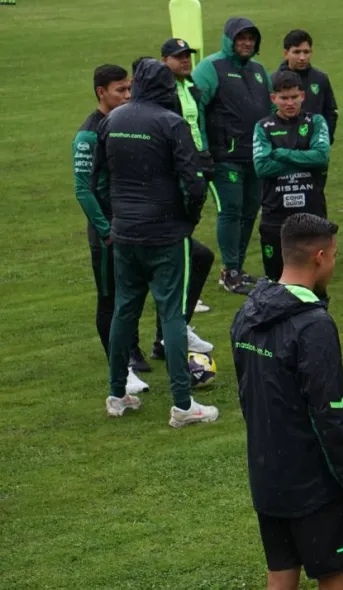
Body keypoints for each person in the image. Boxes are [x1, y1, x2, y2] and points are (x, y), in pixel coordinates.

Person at [231, 213, 343, 590]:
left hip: (266, 475)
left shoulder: (246, 315)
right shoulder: (314, 326)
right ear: (320, 257)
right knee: (339, 577)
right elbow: (329, 416)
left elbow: (247, 396)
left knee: (281, 576)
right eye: (334, 257)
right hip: (313, 484)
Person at [92, 58, 218, 427]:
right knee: (172, 316)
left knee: (124, 311)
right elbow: (194, 182)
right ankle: (182, 404)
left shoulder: (112, 121)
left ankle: (117, 395)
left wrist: (113, 220)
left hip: (125, 233)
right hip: (164, 234)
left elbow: (99, 180)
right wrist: (188, 219)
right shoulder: (170, 122)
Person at [72, 64, 149, 394]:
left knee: (133, 293)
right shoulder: (89, 134)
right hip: (108, 233)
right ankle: (121, 368)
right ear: (101, 92)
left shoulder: (124, 123)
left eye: (130, 89)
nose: (128, 95)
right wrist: (106, 231)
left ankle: (133, 352)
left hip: (131, 225)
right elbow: (82, 189)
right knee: (110, 300)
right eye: (121, 90)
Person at [137, 43, 216, 359]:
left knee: (192, 260)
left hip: (192, 169)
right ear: (162, 62)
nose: (185, 61)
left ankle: (169, 334)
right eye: (178, 56)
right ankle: (165, 340)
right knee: (180, 265)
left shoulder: (189, 88)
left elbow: (196, 127)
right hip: (167, 197)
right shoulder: (158, 106)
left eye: (188, 56)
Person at [192, 16, 273, 295]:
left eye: (251, 38)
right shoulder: (210, 68)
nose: (247, 43)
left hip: (256, 157)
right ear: (230, 39)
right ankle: (229, 271)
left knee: (250, 210)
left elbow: (270, 113)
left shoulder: (260, 71)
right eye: (241, 38)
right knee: (231, 210)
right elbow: (195, 109)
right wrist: (201, 149)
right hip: (224, 156)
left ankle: (236, 267)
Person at [252, 71, 331, 281]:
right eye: (284, 98)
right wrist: (303, 158)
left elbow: (321, 157)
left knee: (314, 279)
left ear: (302, 96)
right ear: (273, 98)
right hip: (275, 215)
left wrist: (281, 154)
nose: (290, 103)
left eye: (294, 97)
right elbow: (262, 167)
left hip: (311, 213)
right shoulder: (263, 127)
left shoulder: (316, 122)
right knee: (275, 280)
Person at [274, 29, 338, 145]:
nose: (302, 57)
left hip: (314, 147)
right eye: (297, 52)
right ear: (286, 53)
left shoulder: (320, 79)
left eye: (306, 52)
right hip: (282, 147)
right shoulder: (273, 80)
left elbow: (330, 111)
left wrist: (325, 139)